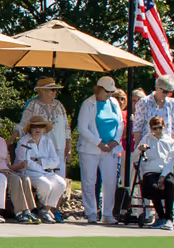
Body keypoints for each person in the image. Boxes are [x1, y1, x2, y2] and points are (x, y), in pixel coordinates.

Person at [76, 77, 124, 225]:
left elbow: (120, 123)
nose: (109, 94)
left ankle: (108, 213)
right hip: (90, 149)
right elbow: (83, 128)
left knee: (110, 181)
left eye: (112, 92)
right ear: (98, 89)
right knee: (89, 181)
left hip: (111, 148)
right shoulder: (88, 104)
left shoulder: (114, 103)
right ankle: (91, 212)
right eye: (107, 91)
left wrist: (115, 140)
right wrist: (99, 143)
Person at [0, 113, 38, 223]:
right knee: (15, 180)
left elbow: (6, 164)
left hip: (6, 170)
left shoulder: (1, 141)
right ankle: (19, 212)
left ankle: (29, 211)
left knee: (25, 179)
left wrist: (19, 166)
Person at [12, 114, 67, 222]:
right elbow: (26, 162)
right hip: (28, 172)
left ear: (44, 129)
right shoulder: (23, 142)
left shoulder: (47, 141)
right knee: (45, 184)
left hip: (46, 172)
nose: (38, 129)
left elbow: (56, 161)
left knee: (61, 183)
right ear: (30, 129)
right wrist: (44, 166)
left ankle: (45, 209)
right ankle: (42, 209)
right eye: (35, 127)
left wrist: (40, 161)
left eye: (40, 127)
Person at [136, 114, 174, 229]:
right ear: (151, 129)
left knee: (170, 184)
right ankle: (160, 216)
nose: (158, 130)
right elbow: (137, 153)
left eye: (160, 127)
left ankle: (169, 218)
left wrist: (163, 177)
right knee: (152, 186)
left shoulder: (170, 142)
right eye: (155, 128)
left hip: (165, 170)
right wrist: (141, 148)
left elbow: (170, 160)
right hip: (150, 171)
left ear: (164, 127)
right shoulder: (147, 138)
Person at [18, 76, 68, 160]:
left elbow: (66, 127)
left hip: (60, 147)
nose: (55, 92)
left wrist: (68, 146)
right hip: (41, 149)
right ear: (43, 91)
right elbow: (23, 125)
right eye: (52, 89)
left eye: (55, 89)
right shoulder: (33, 105)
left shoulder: (59, 105)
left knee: (59, 172)